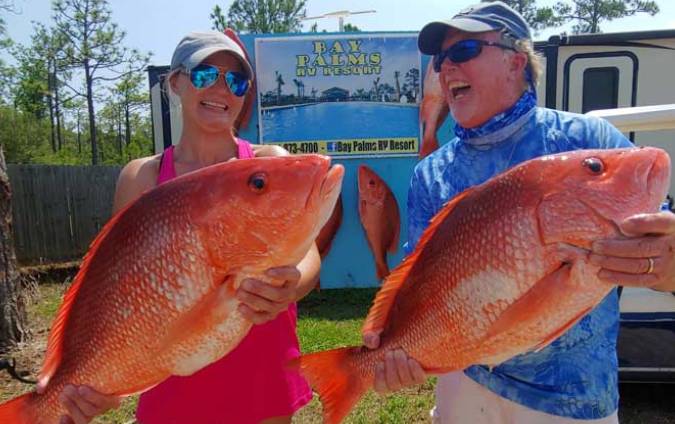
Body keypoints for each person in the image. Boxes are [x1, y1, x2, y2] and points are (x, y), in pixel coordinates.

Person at [363, 2, 675, 423]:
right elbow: (414, 281)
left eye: (464, 51)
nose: (445, 68)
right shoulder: (431, 173)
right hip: (465, 379)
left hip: (573, 398)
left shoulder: (588, 140)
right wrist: (392, 347)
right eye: (440, 59)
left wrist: (667, 264)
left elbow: (662, 244)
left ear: (516, 61)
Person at [51, 30, 318, 424]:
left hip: (262, 376)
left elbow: (309, 256)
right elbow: (111, 289)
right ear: (175, 82)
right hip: (172, 382)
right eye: (204, 74)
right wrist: (94, 378)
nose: (221, 89)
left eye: (236, 81)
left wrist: (290, 285)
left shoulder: (271, 166)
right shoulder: (142, 177)